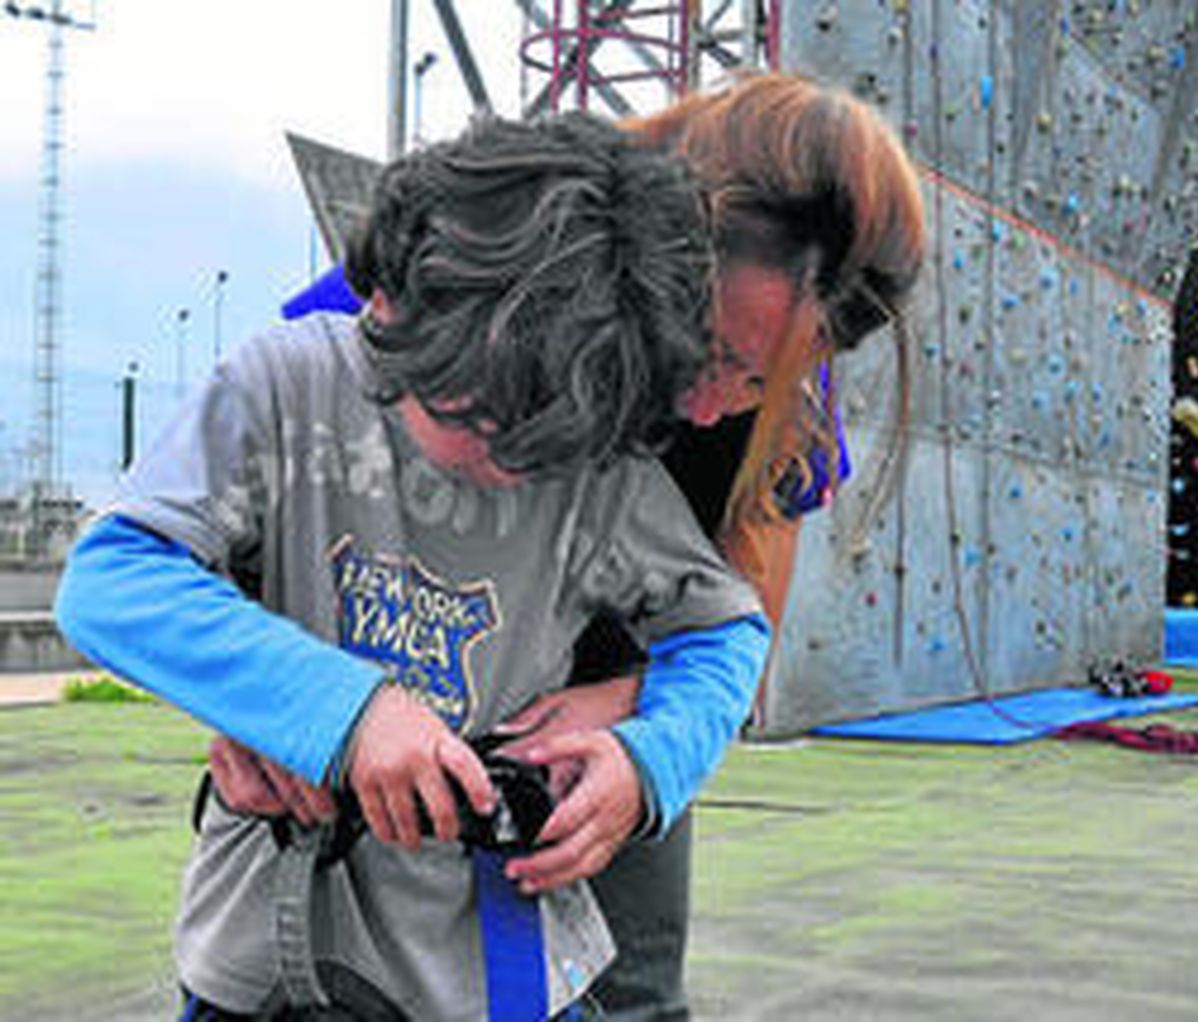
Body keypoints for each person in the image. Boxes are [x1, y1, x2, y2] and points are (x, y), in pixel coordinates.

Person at [204, 73, 928, 1020]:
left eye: (761, 380)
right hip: (389, 664)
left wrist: (637, 731)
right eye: (707, 352)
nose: (710, 407)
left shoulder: (787, 343)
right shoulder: (487, 232)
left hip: (602, 718)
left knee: (631, 992)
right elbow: (258, 456)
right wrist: (266, 697)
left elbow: (740, 617)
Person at [56, 110, 775, 1021]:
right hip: (273, 952)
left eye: (546, 440)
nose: (510, 462)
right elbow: (113, 580)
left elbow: (726, 631)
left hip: (501, 963)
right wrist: (341, 713)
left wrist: (649, 763)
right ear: (396, 303)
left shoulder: (594, 464)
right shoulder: (289, 388)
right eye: (481, 413)